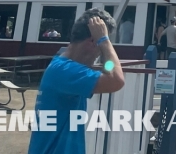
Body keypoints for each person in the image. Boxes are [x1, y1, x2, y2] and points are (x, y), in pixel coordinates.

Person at [28, 9, 124, 154]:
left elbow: (109, 70)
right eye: (100, 49)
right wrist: (104, 40)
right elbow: (116, 80)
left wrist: (103, 45)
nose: (99, 55)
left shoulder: (61, 65)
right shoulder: (66, 71)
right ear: (93, 41)